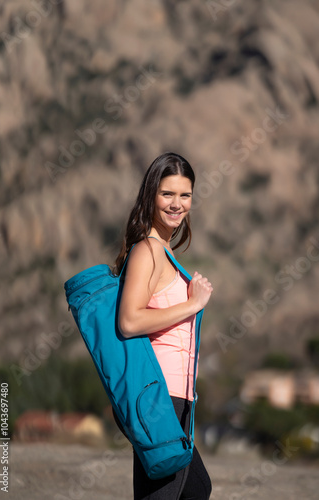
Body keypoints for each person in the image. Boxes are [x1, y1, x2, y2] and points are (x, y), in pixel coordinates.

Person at [111, 152, 213, 499]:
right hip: (158, 396)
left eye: (185, 195)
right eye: (167, 194)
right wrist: (193, 304)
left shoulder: (164, 251)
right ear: (151, 195)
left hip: (176, 400)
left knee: (196, 488)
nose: (177, 204)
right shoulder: (147, 251)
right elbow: (129, 321)